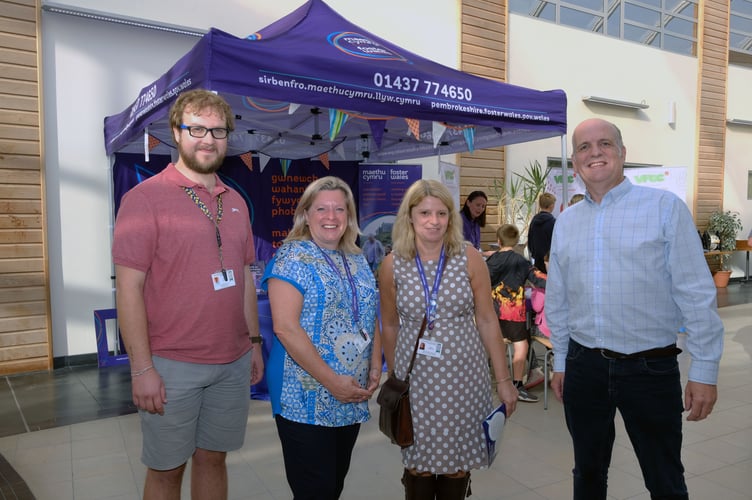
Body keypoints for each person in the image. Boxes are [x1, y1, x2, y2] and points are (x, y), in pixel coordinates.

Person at [546, 118, 725, 500]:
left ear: (623, 154)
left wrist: (705, 369)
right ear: (575, 163)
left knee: (664, 480)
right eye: (584, 147)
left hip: (649, 368)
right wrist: (561, 362)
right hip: (584, 367)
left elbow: (695, 293)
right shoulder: (566, 222)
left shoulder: (664, 209)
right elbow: (559, 300)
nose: (595, 152)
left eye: (605, 143)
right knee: (588, 474)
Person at [112, 89, 265, 500]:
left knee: (214, 458)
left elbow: (246, 277)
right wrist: (142, 368)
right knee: (166, 469)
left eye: (217, 130)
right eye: (196, 128)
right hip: (170, 365)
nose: (208, 139)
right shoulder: (144, 199)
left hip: (232, 362)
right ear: (176, 133)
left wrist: (253, 343)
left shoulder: (235, 202)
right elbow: (129, 288)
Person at [379, 179, 518, 499]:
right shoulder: (393, 264)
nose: (434, 220)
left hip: (464, 378)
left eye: (442, 213)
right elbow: (388, 324)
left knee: (458, 464)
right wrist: (393, 376)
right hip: (417, 381)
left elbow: (486, 319)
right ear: (409, 216)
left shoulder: (469, 258)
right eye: (425, 212)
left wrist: (504, 379)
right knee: (419, 464)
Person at [261, 176, 382, 500]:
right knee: (316, 488)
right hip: (304, 394)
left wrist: (374, 365)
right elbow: (285, 328)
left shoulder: (357, 257)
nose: (331, 217)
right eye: (322, 209)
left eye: (339, 209)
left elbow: (370, 313)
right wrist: (332, 382)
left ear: (350, 215)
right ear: (305, 214)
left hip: (350, 393)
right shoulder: (292, 258)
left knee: (333, 484)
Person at [486, 224, 547, 402]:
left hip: (493, 313)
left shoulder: (491, 261)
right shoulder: (521, 261)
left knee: (497, 345)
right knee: (521, 346)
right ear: (517, 241)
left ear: (498, 241)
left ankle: (497, 380)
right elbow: (538, 279)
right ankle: (518, 384)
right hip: (514, 314)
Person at [527, 192, 556, 273]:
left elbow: (530, 239)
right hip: (550, 260)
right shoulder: (553, 222)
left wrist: (534, 254)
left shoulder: (534, 220)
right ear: (551, 205)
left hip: (537, 259)